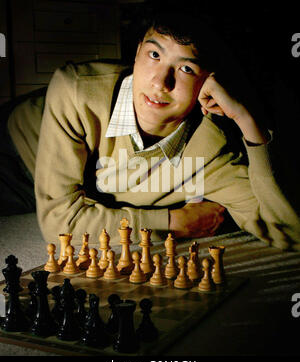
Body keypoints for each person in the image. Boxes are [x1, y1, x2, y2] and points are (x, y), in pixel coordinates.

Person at [2, 5, 300, 249]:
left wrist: (250, 125)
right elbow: (59, 225)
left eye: (186, 69)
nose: (160, 82)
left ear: (209, 83)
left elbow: (289, 232)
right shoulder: (75, 90)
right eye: (154, 55)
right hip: (17, 154)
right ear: (137, 53)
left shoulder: (211, 154)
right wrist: (173, 222)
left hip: (89, 190)